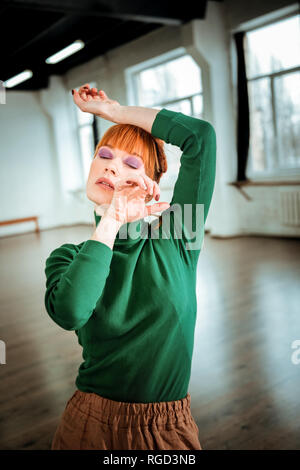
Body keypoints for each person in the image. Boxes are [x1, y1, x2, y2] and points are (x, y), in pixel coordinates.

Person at [44, 83, 216, 450]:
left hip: (166, 431)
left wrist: (114, 112)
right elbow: (71, 311)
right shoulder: (67, 256)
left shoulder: (177, 236)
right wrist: (111, 221)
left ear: (150, 183)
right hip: (87, 425)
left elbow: (199, 137)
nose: (111, 166)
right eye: (104, 155)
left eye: (131, 163)